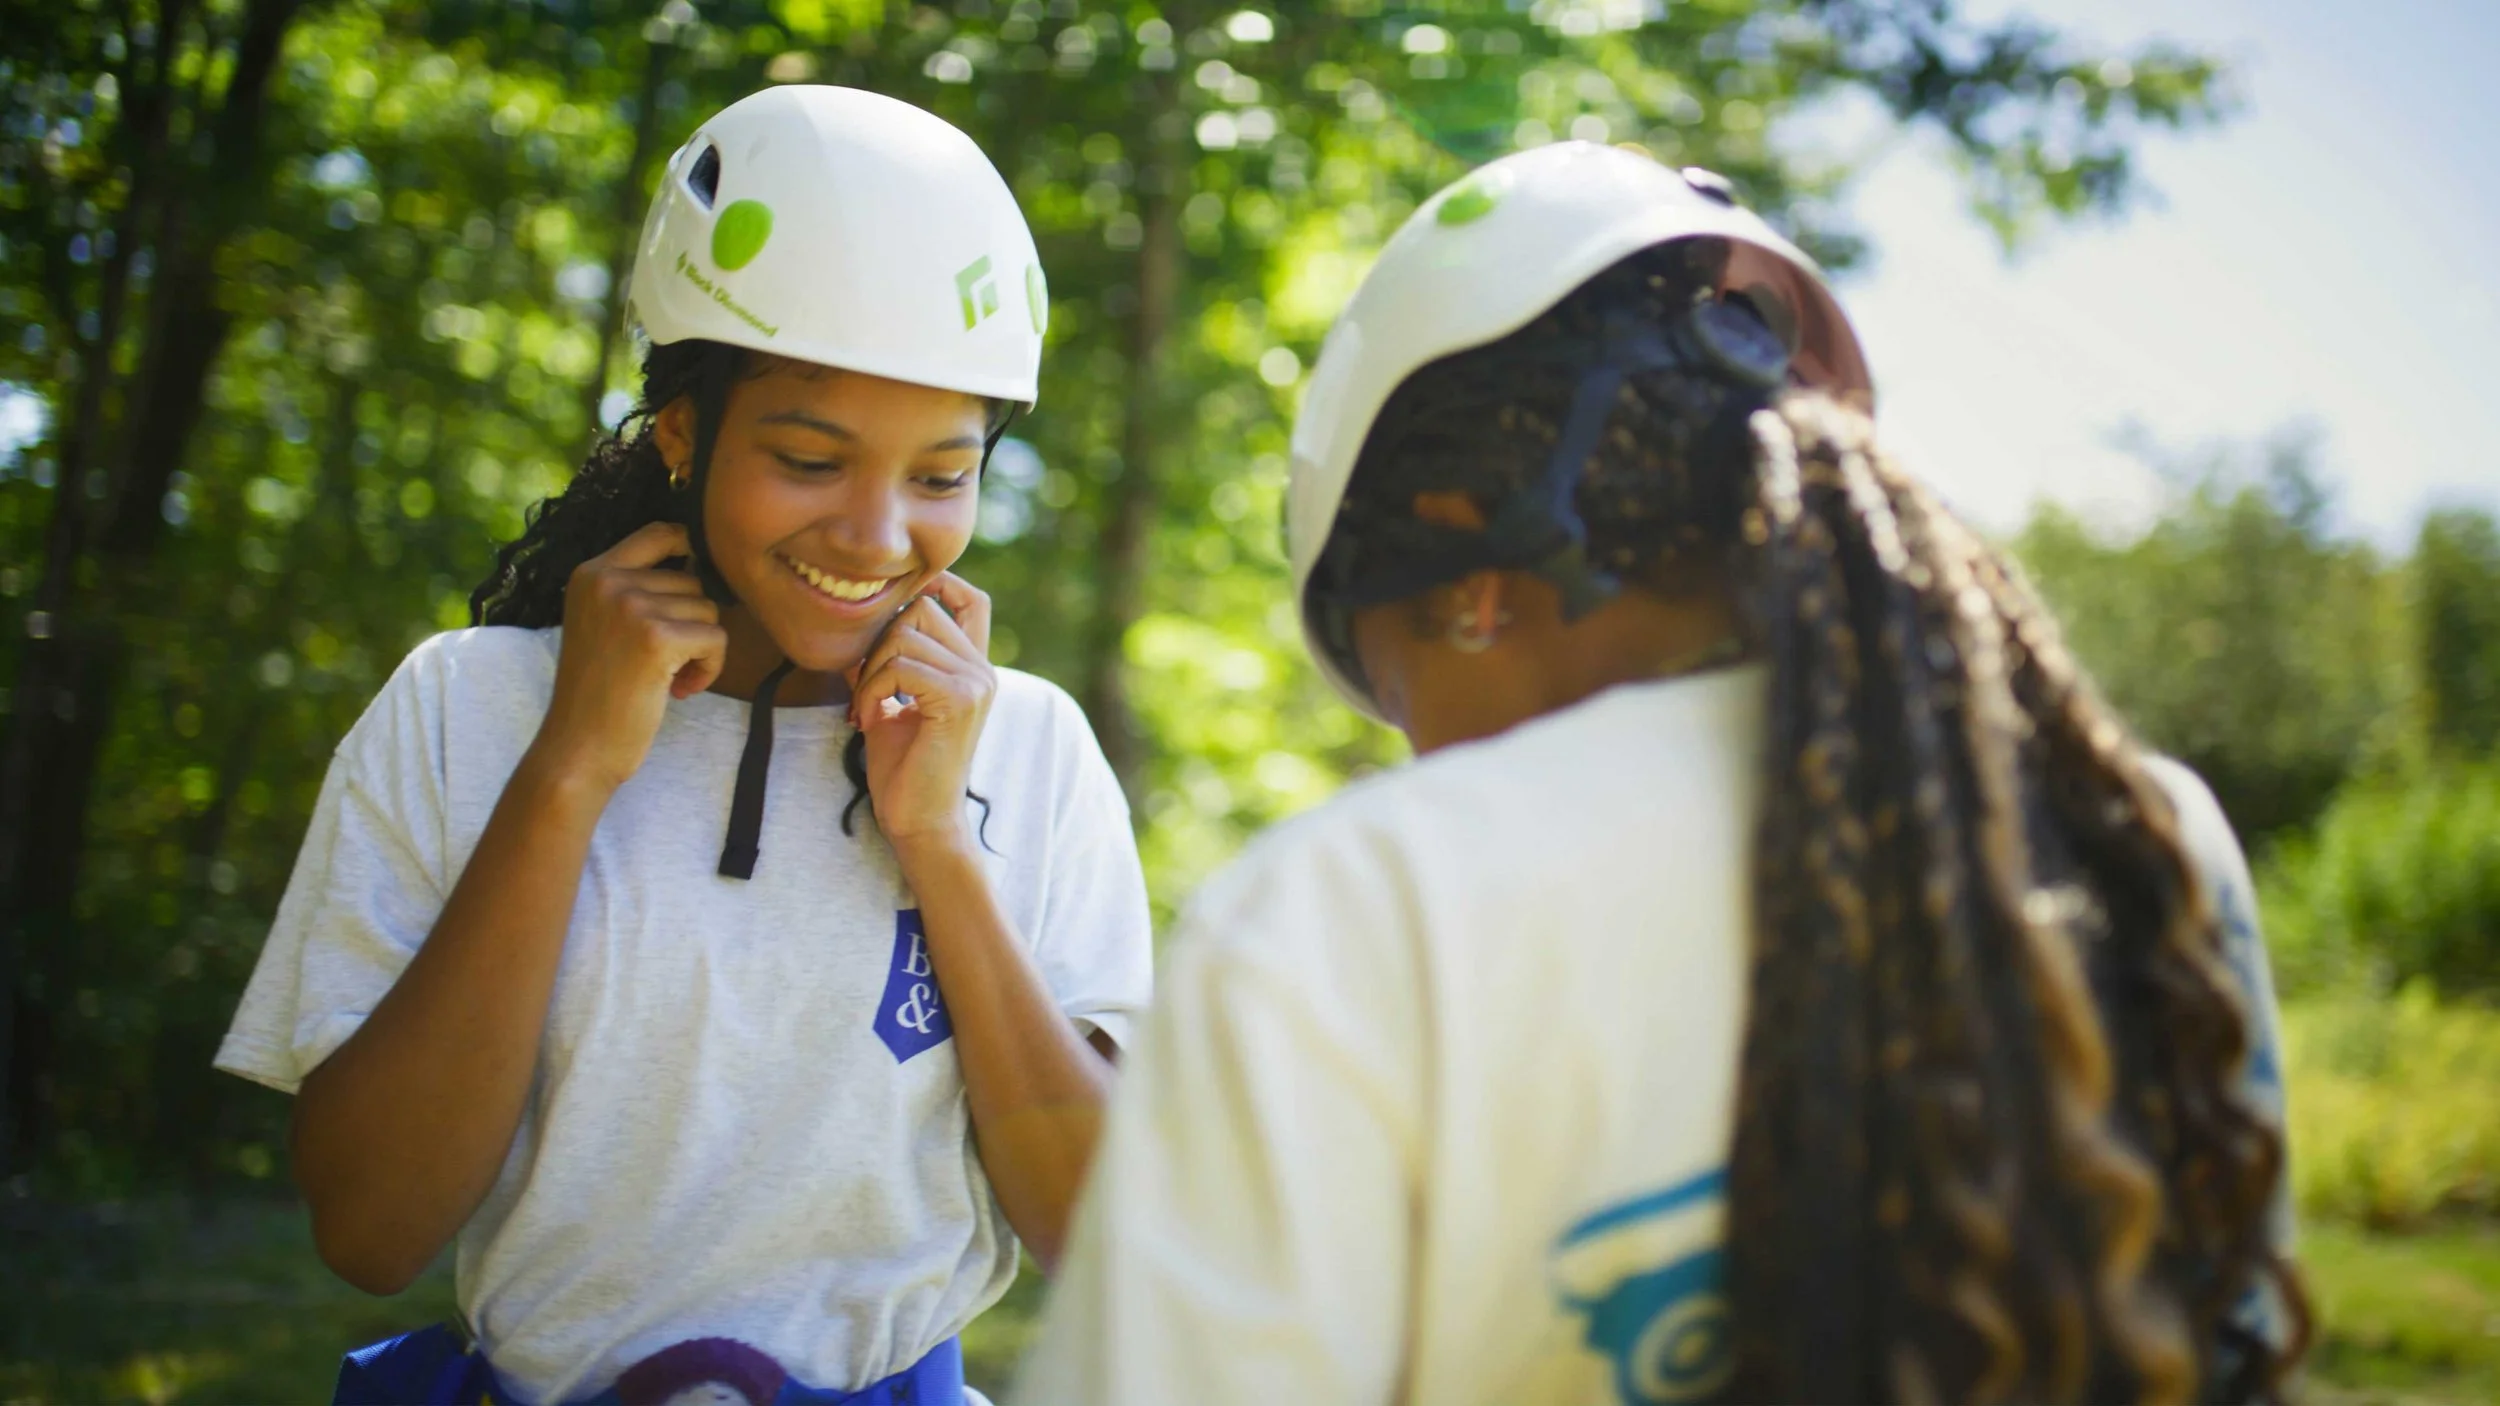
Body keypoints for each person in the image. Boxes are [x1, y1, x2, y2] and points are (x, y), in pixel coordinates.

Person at [1014, 142, 2303, 1405]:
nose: (1423, 759)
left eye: (1394, 688)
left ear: (1464, 571)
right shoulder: (2137, 830)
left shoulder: (1361, 909)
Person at [215, 86, 1151, 1405]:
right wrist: (571, 769)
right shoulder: (462, 707)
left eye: (941, 475)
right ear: (680, 433)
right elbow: (370, 1230)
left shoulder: (1031, 751)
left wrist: (940, 838)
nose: (879, 535)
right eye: (811, 458)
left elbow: (1093, 1237)